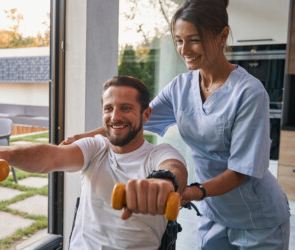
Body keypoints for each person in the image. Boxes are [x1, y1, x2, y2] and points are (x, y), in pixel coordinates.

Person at [63, 0, 291, 249]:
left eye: (194, 39)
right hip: (212, 212)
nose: (184, 49)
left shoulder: (248, 92)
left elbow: (241, 170)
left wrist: (190, 192)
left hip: (257, 217)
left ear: (222, 35)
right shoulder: (180, 87)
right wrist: (84, 137)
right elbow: (134, 122)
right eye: (179, 40)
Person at [0, 76, 188, 249]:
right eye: (108, 108)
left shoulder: (159, 154)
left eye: (126, 108)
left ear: (146, 114)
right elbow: (51, 157)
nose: (115, 116)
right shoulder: (97, 147)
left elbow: (174, 169)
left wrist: (163, 181)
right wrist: (1, 153)